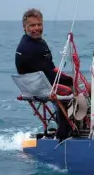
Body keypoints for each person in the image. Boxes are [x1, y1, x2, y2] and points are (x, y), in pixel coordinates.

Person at [15, 8, 74, 139]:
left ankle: (64, 126)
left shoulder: (31, 42)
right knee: (78, 88)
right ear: (24, 27)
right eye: (32, 25)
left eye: (39, 24)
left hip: (34, 87)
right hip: (43, 87)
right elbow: (50, 75)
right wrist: (71, 81)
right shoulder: (31, 47)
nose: (36, 28)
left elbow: (49, 70)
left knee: (71, 84)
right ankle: (65, 132)